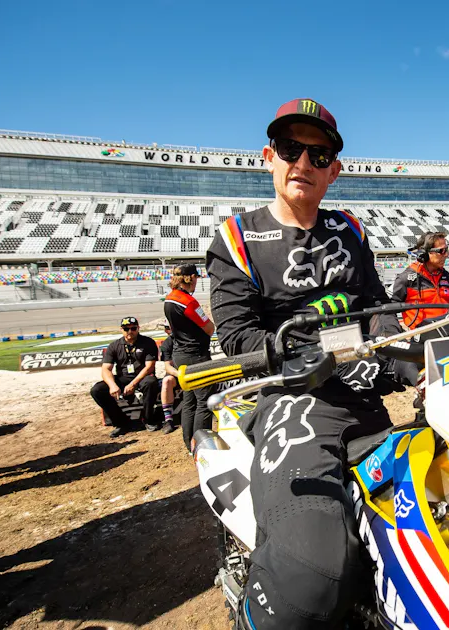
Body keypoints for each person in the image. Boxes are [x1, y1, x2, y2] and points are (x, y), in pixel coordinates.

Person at [206, 98, 400, 630]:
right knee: (312, 581)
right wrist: (310, 356)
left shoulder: (350, 230)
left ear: (334, 171)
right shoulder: (236, 238)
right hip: (290, 400)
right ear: (269, 156)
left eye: (319, 155)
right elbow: (238, 337)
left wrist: (409, 352)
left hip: (360, 393)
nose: (303, 163)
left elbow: (378, 309)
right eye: (291, 149)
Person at [163, 263, 217, 451]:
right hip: (195, 355)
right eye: (196, 278)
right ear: (191, 278)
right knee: (204, 400)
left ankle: (189, 444)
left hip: (180, 353)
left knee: (190, 400)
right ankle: (202, 445)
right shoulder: (188, 301)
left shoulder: (169, 298)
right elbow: (209, 328)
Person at [90, 316, 160, 438]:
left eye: (133, 328)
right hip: (123, 377)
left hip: (142, 376)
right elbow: (106, 369)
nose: (130, 331)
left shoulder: (148, 342)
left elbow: (149, 367)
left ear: (138, 328)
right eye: (126, 329)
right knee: (97, 390)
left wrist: (133, 383)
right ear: (121, 330)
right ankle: (121, 423)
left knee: (150, 382)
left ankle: (148, 420)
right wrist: (113, 385)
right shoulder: (114, 345)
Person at [391, 231, 449, 329]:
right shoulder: (406, 278)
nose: (446, 255)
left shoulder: (447, 276)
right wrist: (397, 330)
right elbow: (390, 310)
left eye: (446, 250)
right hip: (420, 335)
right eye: (442, 251)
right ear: (425, 254)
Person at [158, 324, 180, 435]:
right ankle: (168, 419)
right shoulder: (167, 344)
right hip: (177, 374)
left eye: (171, 326)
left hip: (194, 369)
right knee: (166, 381)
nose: (170, 329)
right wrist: (180, 374)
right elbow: (168, 366)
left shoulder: (191, 337)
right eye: (167, 328)